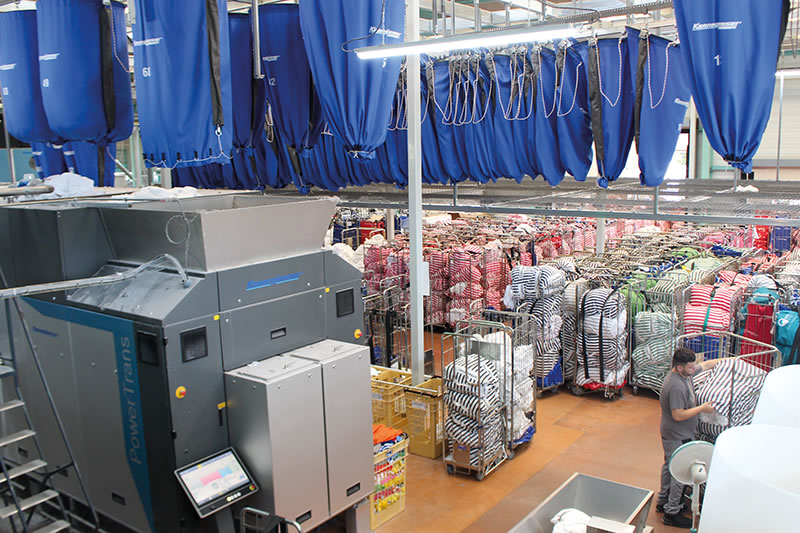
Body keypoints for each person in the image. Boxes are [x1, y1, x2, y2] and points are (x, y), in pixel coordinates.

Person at [657, 347, 726, 528]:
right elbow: (678, 415)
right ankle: (672, 512)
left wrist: (730, 362)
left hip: (675, 433)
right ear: (679, 368)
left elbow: (706, 364)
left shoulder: (685, 374)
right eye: (690, 367)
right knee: (679, 471)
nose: (693, 369)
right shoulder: (676, 386)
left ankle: (663, 501)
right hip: (676, 435)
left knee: (669, 465)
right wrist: (702, 408)